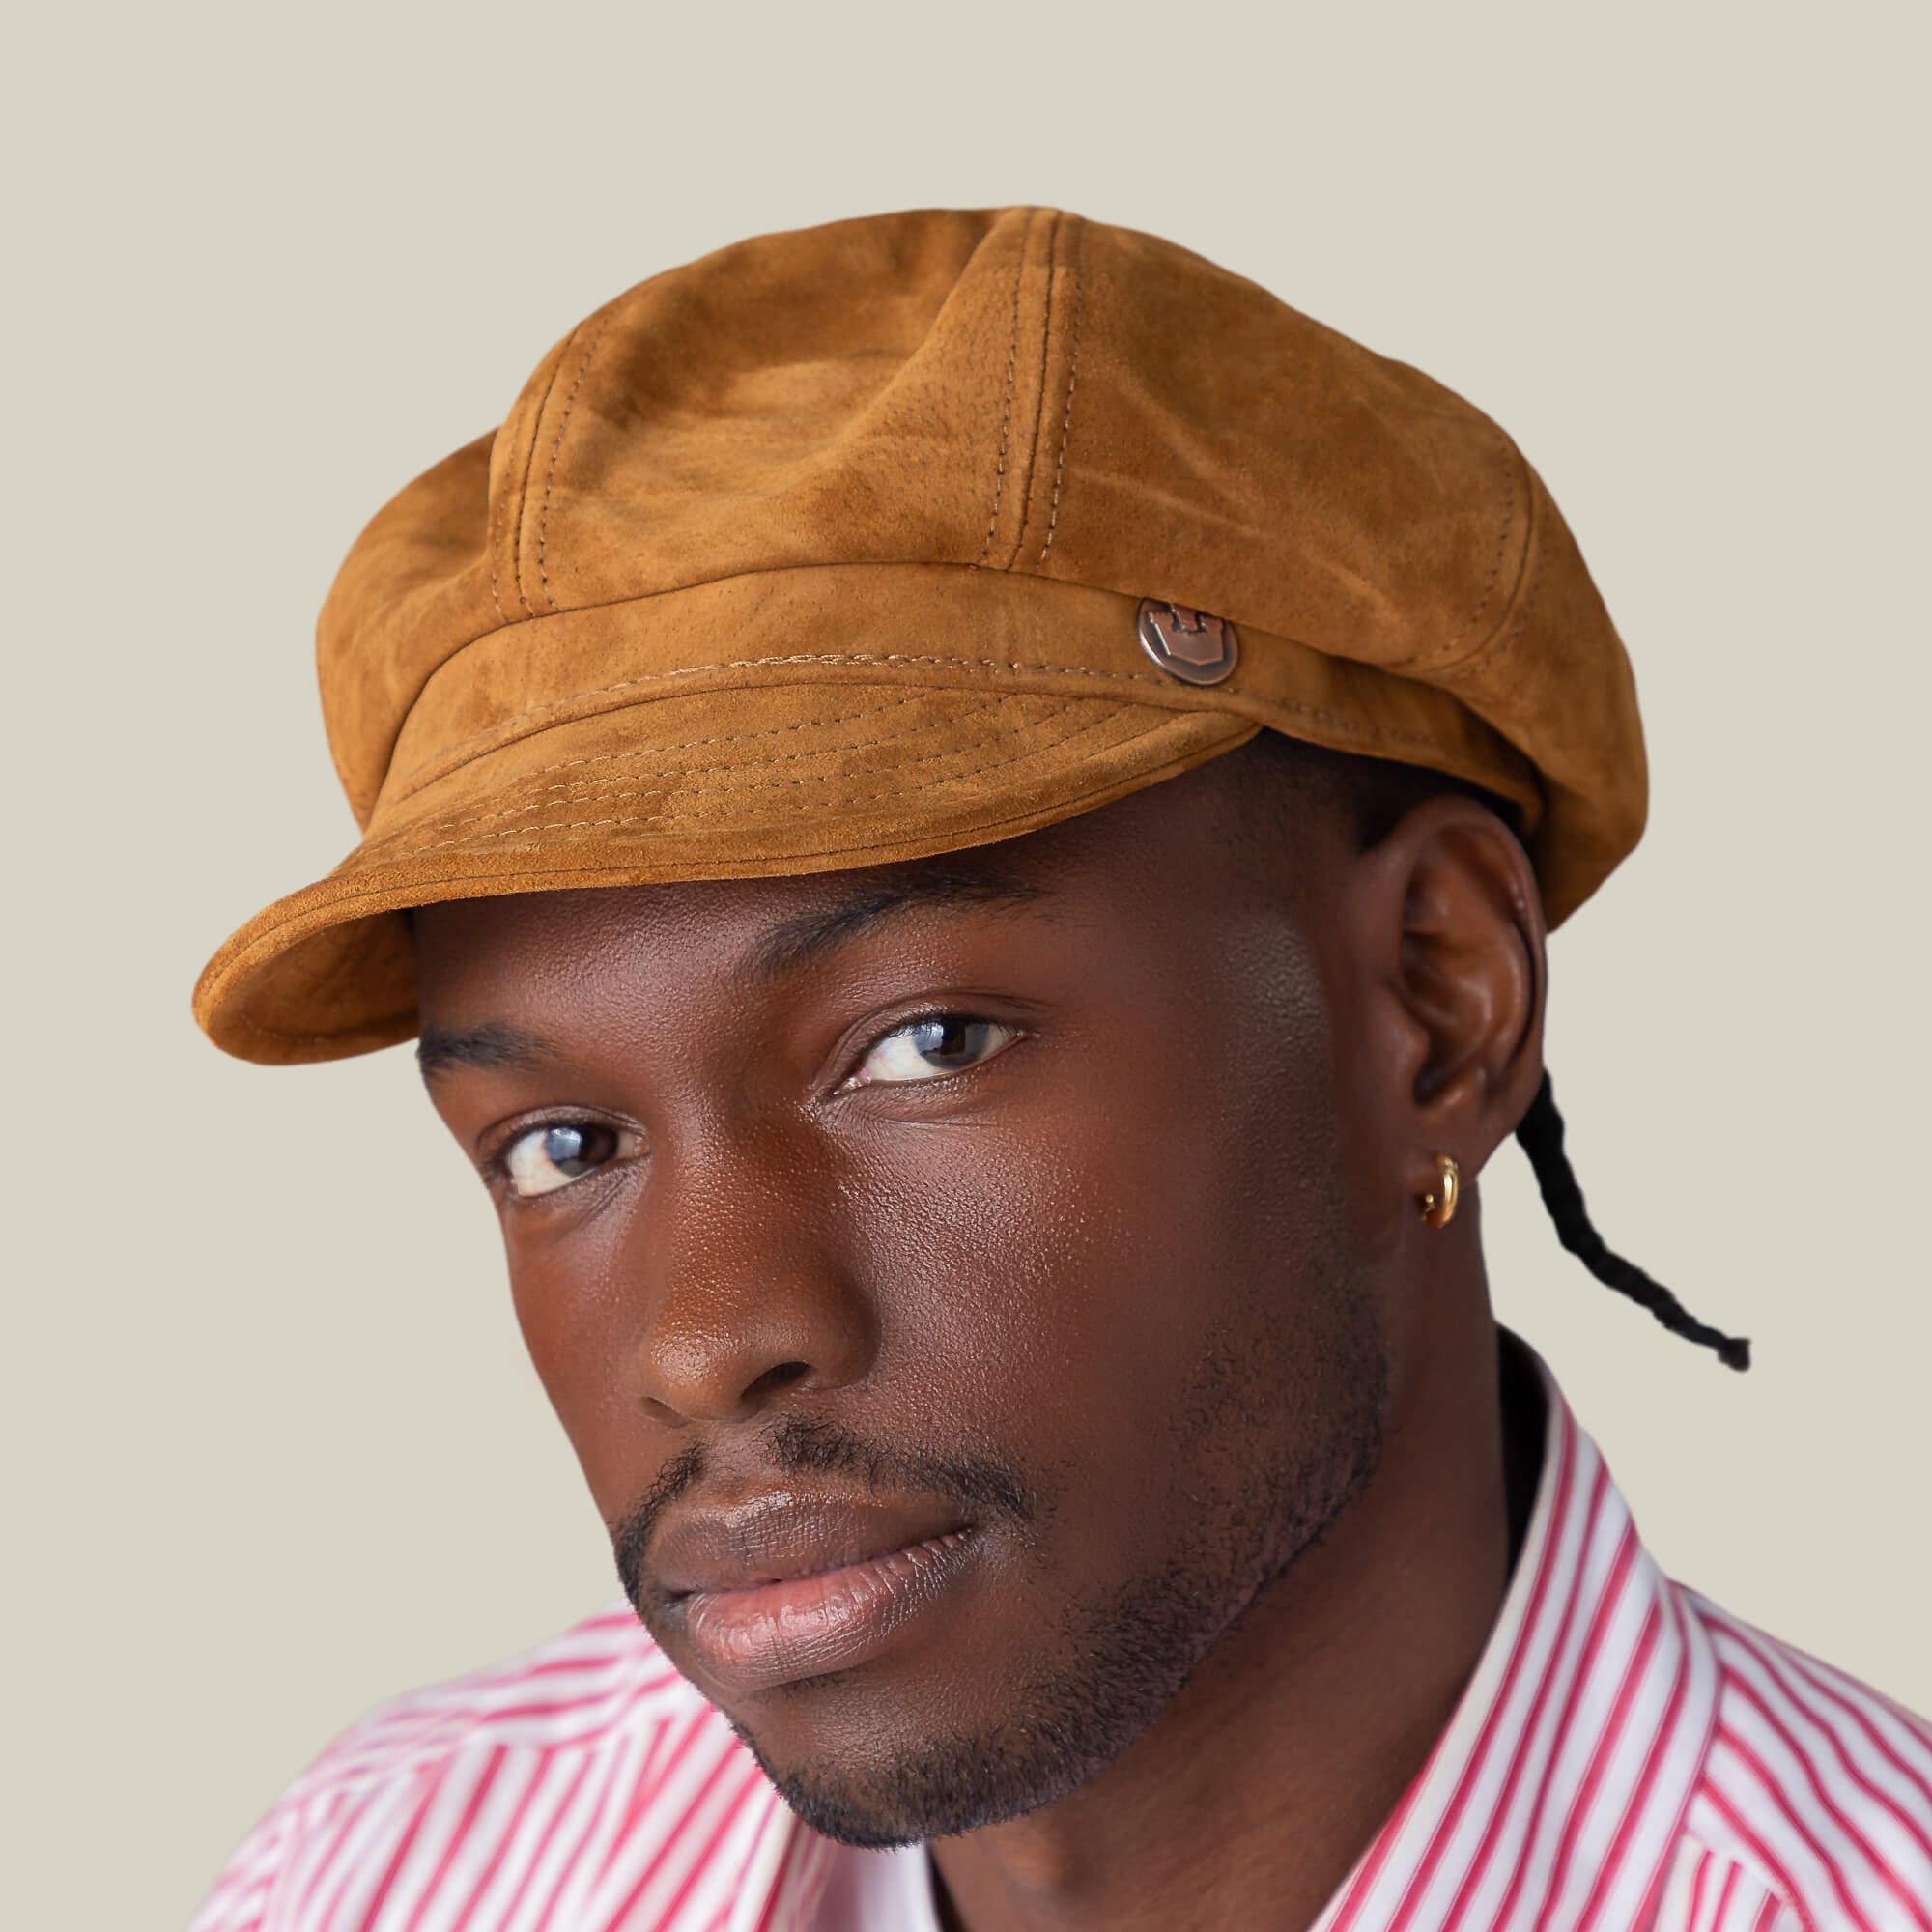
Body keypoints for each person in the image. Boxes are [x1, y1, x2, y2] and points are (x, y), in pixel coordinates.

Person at [187, 208, 1931, 1932]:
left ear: (1438, 1002)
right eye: (563, 1145)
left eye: (925, 1045)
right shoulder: (380, 1875)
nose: (705, 1343)